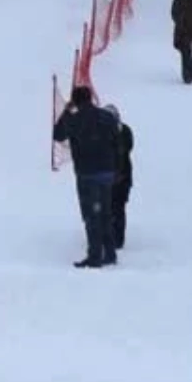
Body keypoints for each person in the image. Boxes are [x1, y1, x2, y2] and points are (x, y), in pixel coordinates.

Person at [53, 86, 120, 268]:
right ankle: (110, 253)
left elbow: (58, 135)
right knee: (105, 213)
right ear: (90, 98)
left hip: (87, 174)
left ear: (75, 101)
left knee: (92, 216)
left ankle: (95, 255)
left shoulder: (74, 119)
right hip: (107, 172)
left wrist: (67, 112)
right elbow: (117, 139)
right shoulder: (107, 117)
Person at [104, 104, 133, 250]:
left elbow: (127, 148)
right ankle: (107, 236)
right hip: (105, 177)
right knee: (106, 208)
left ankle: (118, 238)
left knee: (118, 208)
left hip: (122, 178)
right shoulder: (101, 132)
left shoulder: (124, 131)